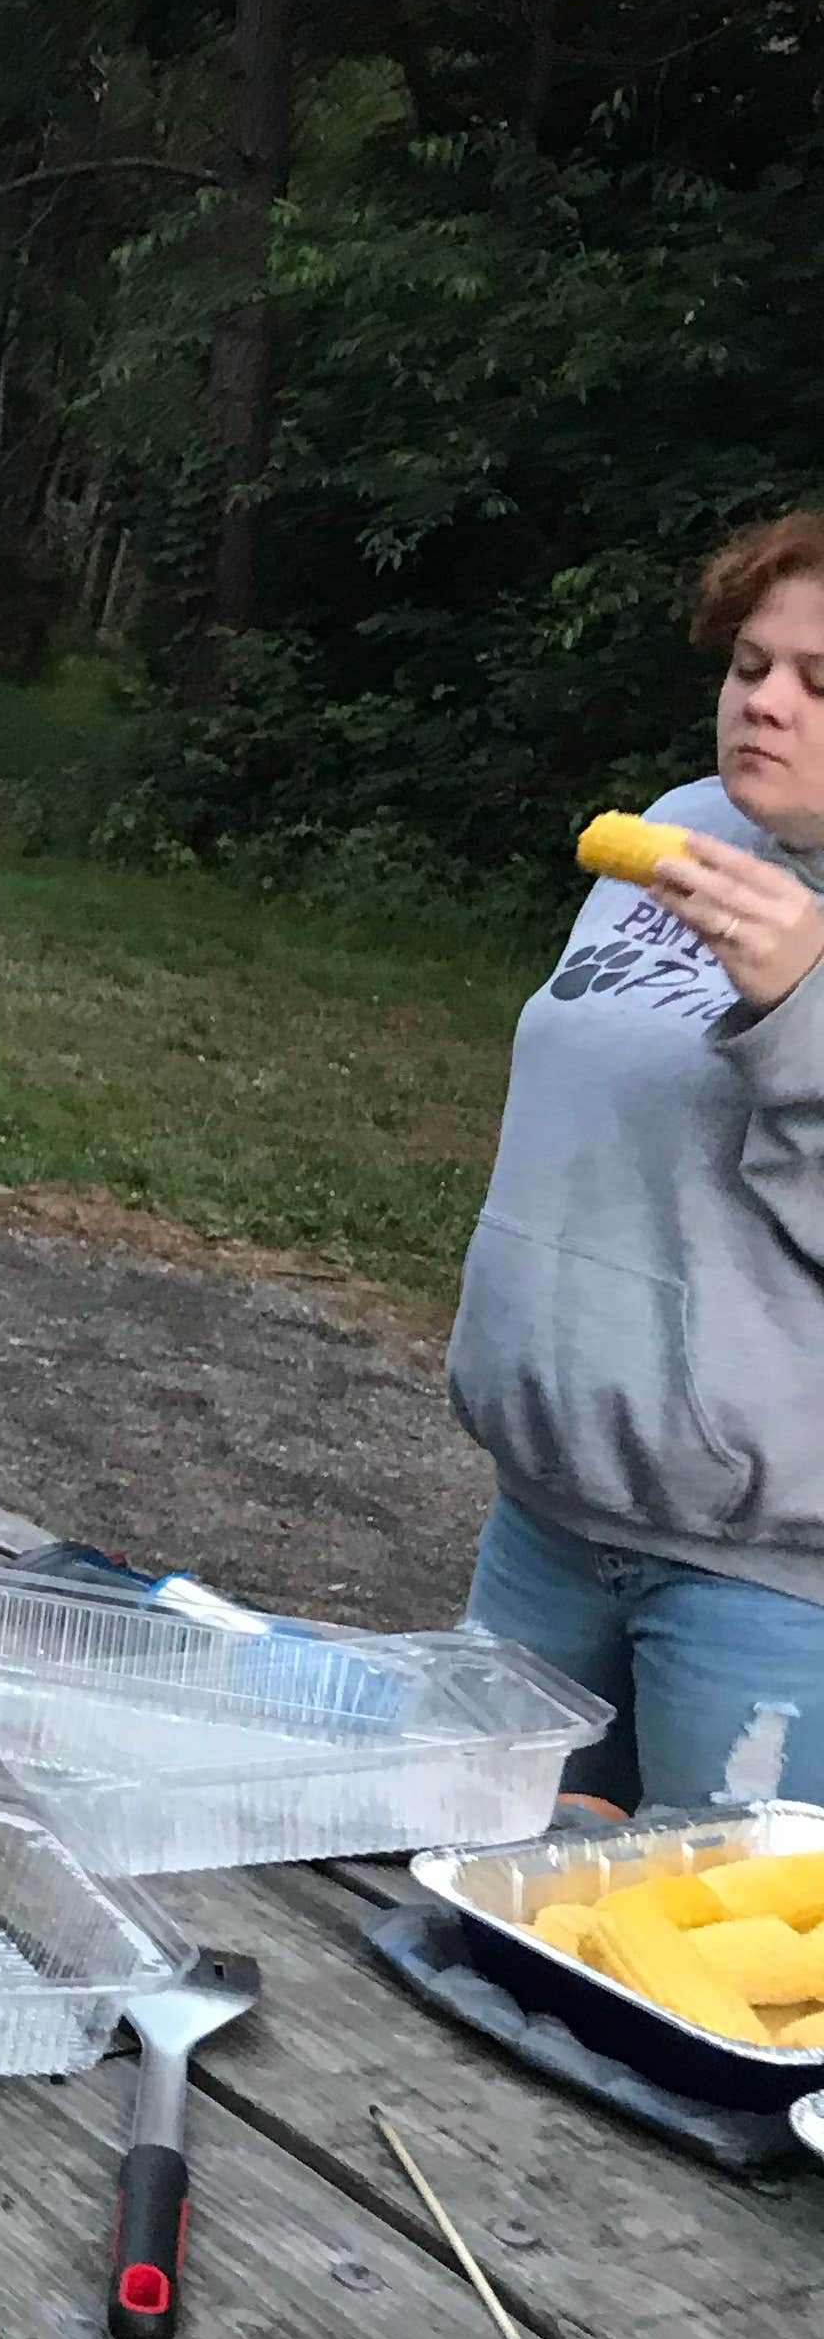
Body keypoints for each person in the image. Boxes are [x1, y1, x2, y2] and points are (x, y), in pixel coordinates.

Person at [451, 513, 824, 1812]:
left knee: (712, 1932)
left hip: (767, 1583)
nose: (765, 703)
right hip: (547, 1514)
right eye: (751, 666)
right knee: (477, 1890)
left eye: (819, 682)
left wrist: (807, 1011)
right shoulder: (680, 833)